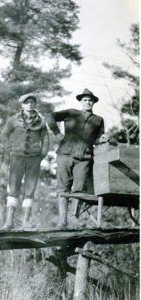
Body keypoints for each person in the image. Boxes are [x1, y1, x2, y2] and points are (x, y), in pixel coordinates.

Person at [46, 88, 109, 228]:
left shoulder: (98, 120)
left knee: (79, 189)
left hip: (84, 158)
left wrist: (102, 138)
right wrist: (56, 133)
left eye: (90, 100)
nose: (88, 102)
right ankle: (62, 221)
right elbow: (49, 116)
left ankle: (73, 218)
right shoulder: (71, 113)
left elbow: (97, 140)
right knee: (63, 188)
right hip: (64, 155)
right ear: (81, 101)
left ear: (93, 103)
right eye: (85, 100)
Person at [0, 93, 49, 230]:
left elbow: (45, 138)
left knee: (30, 189)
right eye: (27, 102)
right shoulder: (13, 119)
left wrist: (42, 154)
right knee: (13, 187)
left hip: (34, 159)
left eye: (32, 102)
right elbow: (3, 134)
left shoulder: (41, 121)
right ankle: (9, 222)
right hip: (17, 158)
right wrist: (9, 147)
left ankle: (25, 222)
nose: (30, 104)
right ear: (22, 105)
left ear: (35, 105)